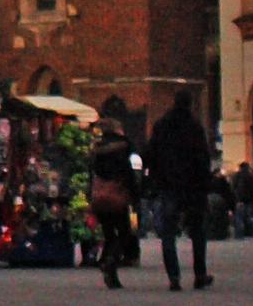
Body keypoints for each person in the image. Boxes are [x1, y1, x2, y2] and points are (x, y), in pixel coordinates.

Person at [144, 93, 213, 290]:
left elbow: (150, 153)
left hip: (168, 185)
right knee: (198, 231)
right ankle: (200, 274)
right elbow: (203, 157)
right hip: (193, 186)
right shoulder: (194, 127)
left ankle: (174, 277)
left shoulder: (162, 126)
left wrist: (155, 177)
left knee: (168, 232)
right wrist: (205, 182)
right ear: (190, 105)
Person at [87, 121, 142, 290]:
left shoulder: (96, 149)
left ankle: (110, 269)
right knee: (126, 231)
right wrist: (135, 193)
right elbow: (129, 171)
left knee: (109, 234)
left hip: (100, 197)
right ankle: (111, 261)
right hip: (119, 195)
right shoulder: (125, 147)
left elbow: (92, 172)